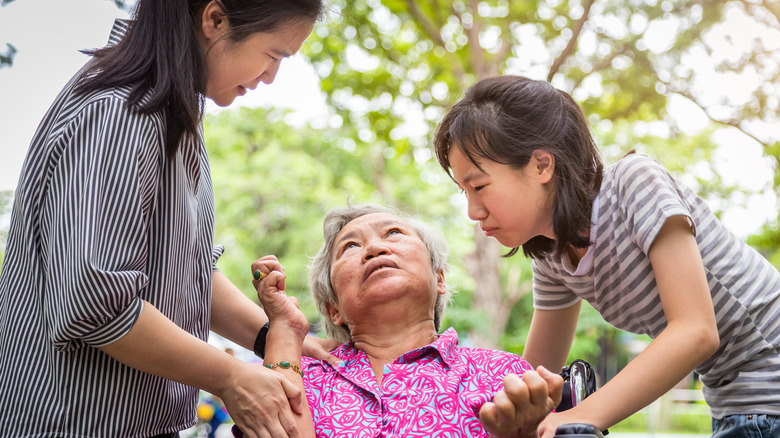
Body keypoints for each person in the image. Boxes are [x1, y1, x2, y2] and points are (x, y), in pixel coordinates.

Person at [0, 1, 339, 437]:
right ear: (215, 19)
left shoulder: (174, 118)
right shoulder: (119, 112)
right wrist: (231, 378)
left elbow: (188, 272)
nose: (271, 76)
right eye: (274, 55)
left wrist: (280, 335)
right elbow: (94, 303)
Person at [432, 75, 780, 437]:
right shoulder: (551, 256)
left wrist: (578, 415)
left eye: (479, 186)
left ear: (541, 166)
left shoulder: (634, 182)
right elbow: (535, 378)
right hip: (734, 404)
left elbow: (696, 331)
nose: (473, 211)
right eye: (463, 192)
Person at [237, 203, 563, 438]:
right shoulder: (294, 374)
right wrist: (284, 329)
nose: (375, 248)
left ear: (439, 278)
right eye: (350, 246)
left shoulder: (505, 375)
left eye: (393, 233)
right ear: (333, 307)